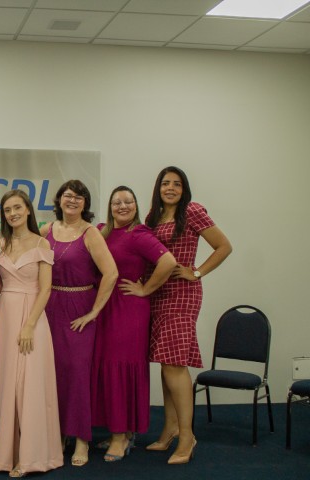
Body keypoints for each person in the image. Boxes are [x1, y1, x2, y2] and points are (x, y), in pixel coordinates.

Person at [145, 166, 232, 465]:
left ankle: (187, 436)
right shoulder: (153, 217)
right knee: (166, 362)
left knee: (174, 363)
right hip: (158, 293)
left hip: (182, 294)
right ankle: (169, 429)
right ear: (158, 188)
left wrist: (197, 272)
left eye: (177, 184)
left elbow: (224, 246)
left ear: (184, 189)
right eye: (165, 183)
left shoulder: (192, 211)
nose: (170, 188)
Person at [91, 186, 176, 462]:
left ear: (136, 206)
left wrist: (146, 289)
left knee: (120, 368)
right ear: (110, 207)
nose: (123, 206)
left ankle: (120, 437)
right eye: (117, 202)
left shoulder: (138, 234)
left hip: (127, 310)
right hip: (104, 307)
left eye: (128, 201)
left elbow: (168, 261)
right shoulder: (101, 231)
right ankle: (122, 430)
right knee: (107, 368)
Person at [39, 179, 117, 467]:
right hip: (49, 307)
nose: (72, 200)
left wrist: (94, 312)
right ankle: (59, 433)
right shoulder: (46, 230)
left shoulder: (90, 233)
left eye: (79, 197)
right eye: (68, 195)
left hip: (78, 309)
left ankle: (82, 439)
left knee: (78, 374)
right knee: (53, 373)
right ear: (59, 200)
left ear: (85, 204)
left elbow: (111, 273)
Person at [0, 189, 63, 478]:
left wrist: (29, 325)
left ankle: (31, 456)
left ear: (28, 210)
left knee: (29, 386)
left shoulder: (41, 243)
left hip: (31, 320)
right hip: (4, 317)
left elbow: (46, 289)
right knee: (6, 384)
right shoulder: (1, 243)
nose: (13, 213)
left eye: (17, 208)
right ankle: (8, 452)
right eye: (8, 210)